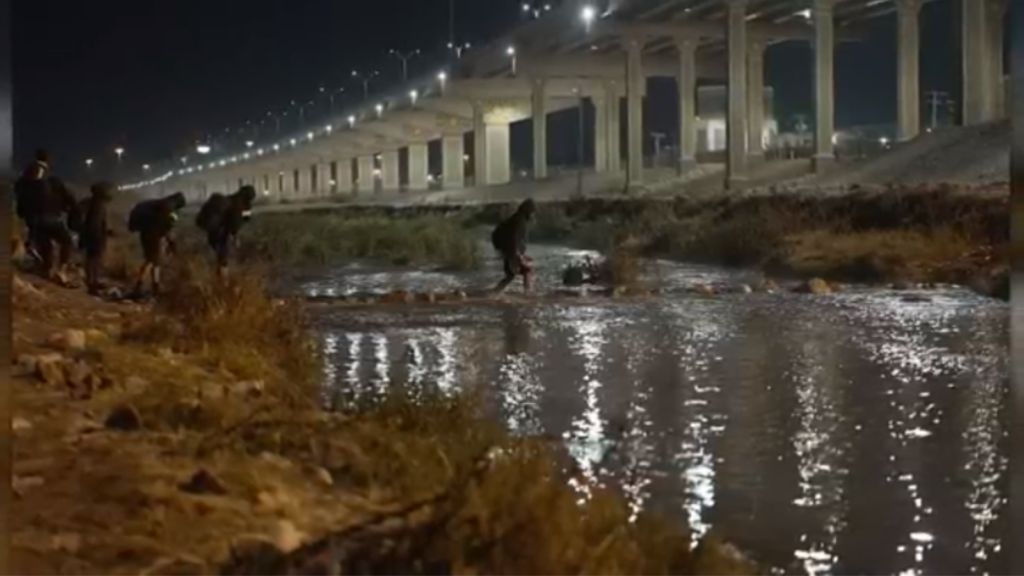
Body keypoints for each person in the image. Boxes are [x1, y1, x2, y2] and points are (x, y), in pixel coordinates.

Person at [127, 191, 186, 297]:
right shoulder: (168, 208)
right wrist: (171, 243)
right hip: (153, 237)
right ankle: (139, 286)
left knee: (155, 261)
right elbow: (167, 227)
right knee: (151, 261)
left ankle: (155, 286)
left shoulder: (162, 204)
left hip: (147, 234)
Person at [196, 185, 257, 279]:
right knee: (222, 257)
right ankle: (222, 281)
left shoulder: (230, 198)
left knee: (220, 256)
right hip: (220, 231)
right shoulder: (239, 204)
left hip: (214, 230)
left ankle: (218, 275)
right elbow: (235, 222)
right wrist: (235, 236)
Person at [14, 149, 54, 267]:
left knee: (33, 229)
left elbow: (21, 185)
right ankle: (30, 251)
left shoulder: (29, 168)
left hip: (28, 206)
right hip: (35, 207)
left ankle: (30, 250)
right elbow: (39, 186)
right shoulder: (39, 169)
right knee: (36, 231)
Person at [490, 198, 536, 294]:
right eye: (532, 212)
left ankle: (495, 292)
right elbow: (514, 238)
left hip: (508, 252)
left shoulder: (517, 218)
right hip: (512, 253)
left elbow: (516, 239)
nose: (533, 215)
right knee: (527, 271)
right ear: (529, 211)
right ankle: (528, 294)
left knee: (510, 275)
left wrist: (521, 254)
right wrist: (517, 254)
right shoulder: (520, 221)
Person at [77, 182, 116, 294]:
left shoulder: (90, 202)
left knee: (92, 260)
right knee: (93, 260)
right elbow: (95, 223)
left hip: (91, 235)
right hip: (95, 236)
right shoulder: (98, 204)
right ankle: (92, 284)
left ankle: (93, 281)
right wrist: (101, 234)